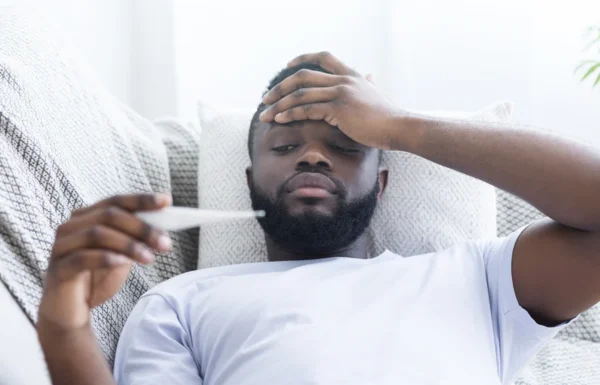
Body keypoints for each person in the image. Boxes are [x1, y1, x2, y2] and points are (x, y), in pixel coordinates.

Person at [37, 52, 600, 385]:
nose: (311, 155)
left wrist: (402, 126)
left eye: (347, 145)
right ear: (249, 179)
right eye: (283, 147)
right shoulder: (182, 303)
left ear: (382, 184)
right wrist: (64, 330)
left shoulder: (478, 279)